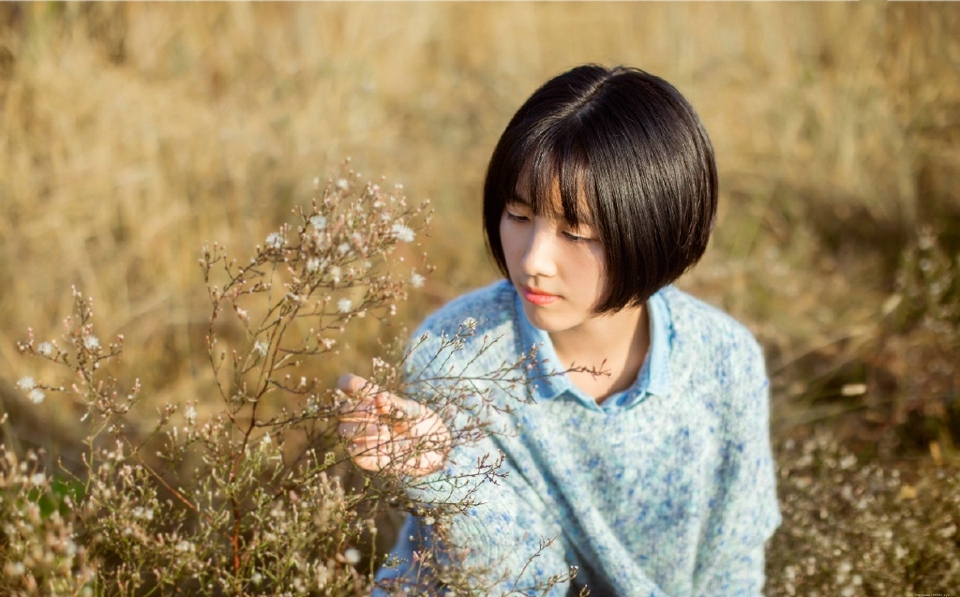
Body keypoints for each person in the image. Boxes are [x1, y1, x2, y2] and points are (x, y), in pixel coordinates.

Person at [337, 64, 781, 597]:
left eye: (575, 232)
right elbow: (510, 583)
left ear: (657, 231)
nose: (534, 260)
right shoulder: (457, 350)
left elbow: (732, 567)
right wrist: (441, 473)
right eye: (519, 216)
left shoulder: (724, 360)